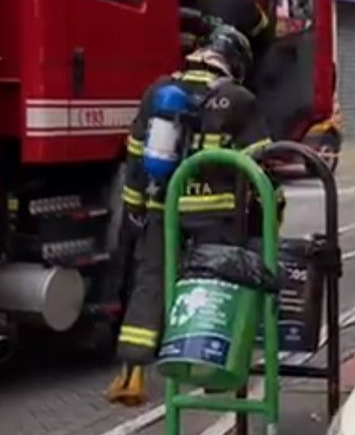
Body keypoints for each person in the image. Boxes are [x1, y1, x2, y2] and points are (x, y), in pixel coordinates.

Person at [105, 25, 278, 406]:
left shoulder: (158, 93)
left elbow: (135, 156)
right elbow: (262, 166)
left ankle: (130, 376)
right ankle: (212, 374)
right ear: (233, 60)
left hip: (161, 208)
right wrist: (272, 209)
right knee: (212, 285)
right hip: (214, 215)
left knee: (150, 282)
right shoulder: (238, 99)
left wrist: (135, 209)